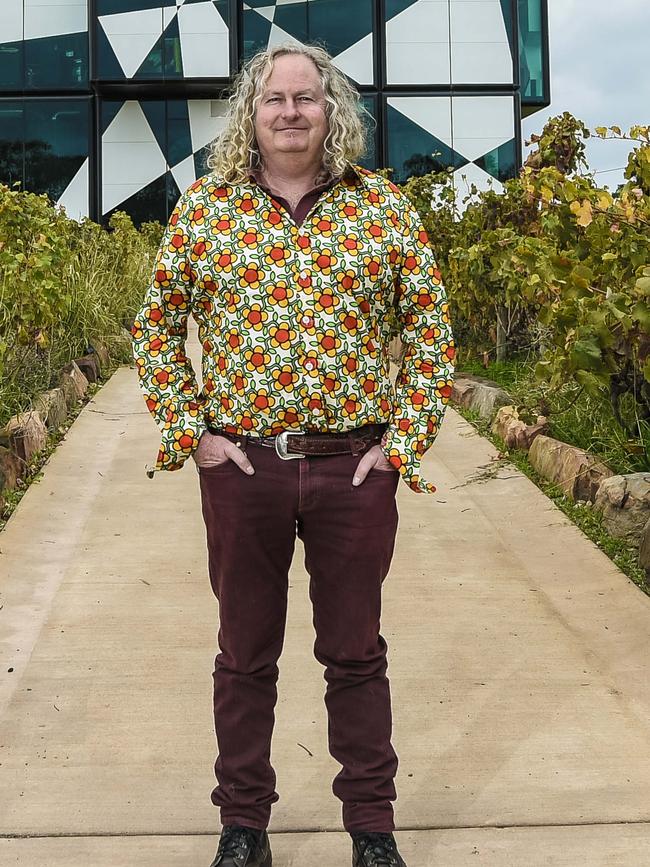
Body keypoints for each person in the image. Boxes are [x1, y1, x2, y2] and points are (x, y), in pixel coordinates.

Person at [132, 42, 454, 867]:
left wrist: (400, 444)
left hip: (354, 469)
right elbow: (157, 328)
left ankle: (372, 829)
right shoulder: (207, 209)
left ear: (329, 108)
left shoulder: (379, 208)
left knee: (355, 653)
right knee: (244, 655)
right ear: (252, 110)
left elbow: (429, 328)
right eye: (274, 99)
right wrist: (192, 435)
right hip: (245, 467)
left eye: (305, 98)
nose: (289, 112)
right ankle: (243, 827)